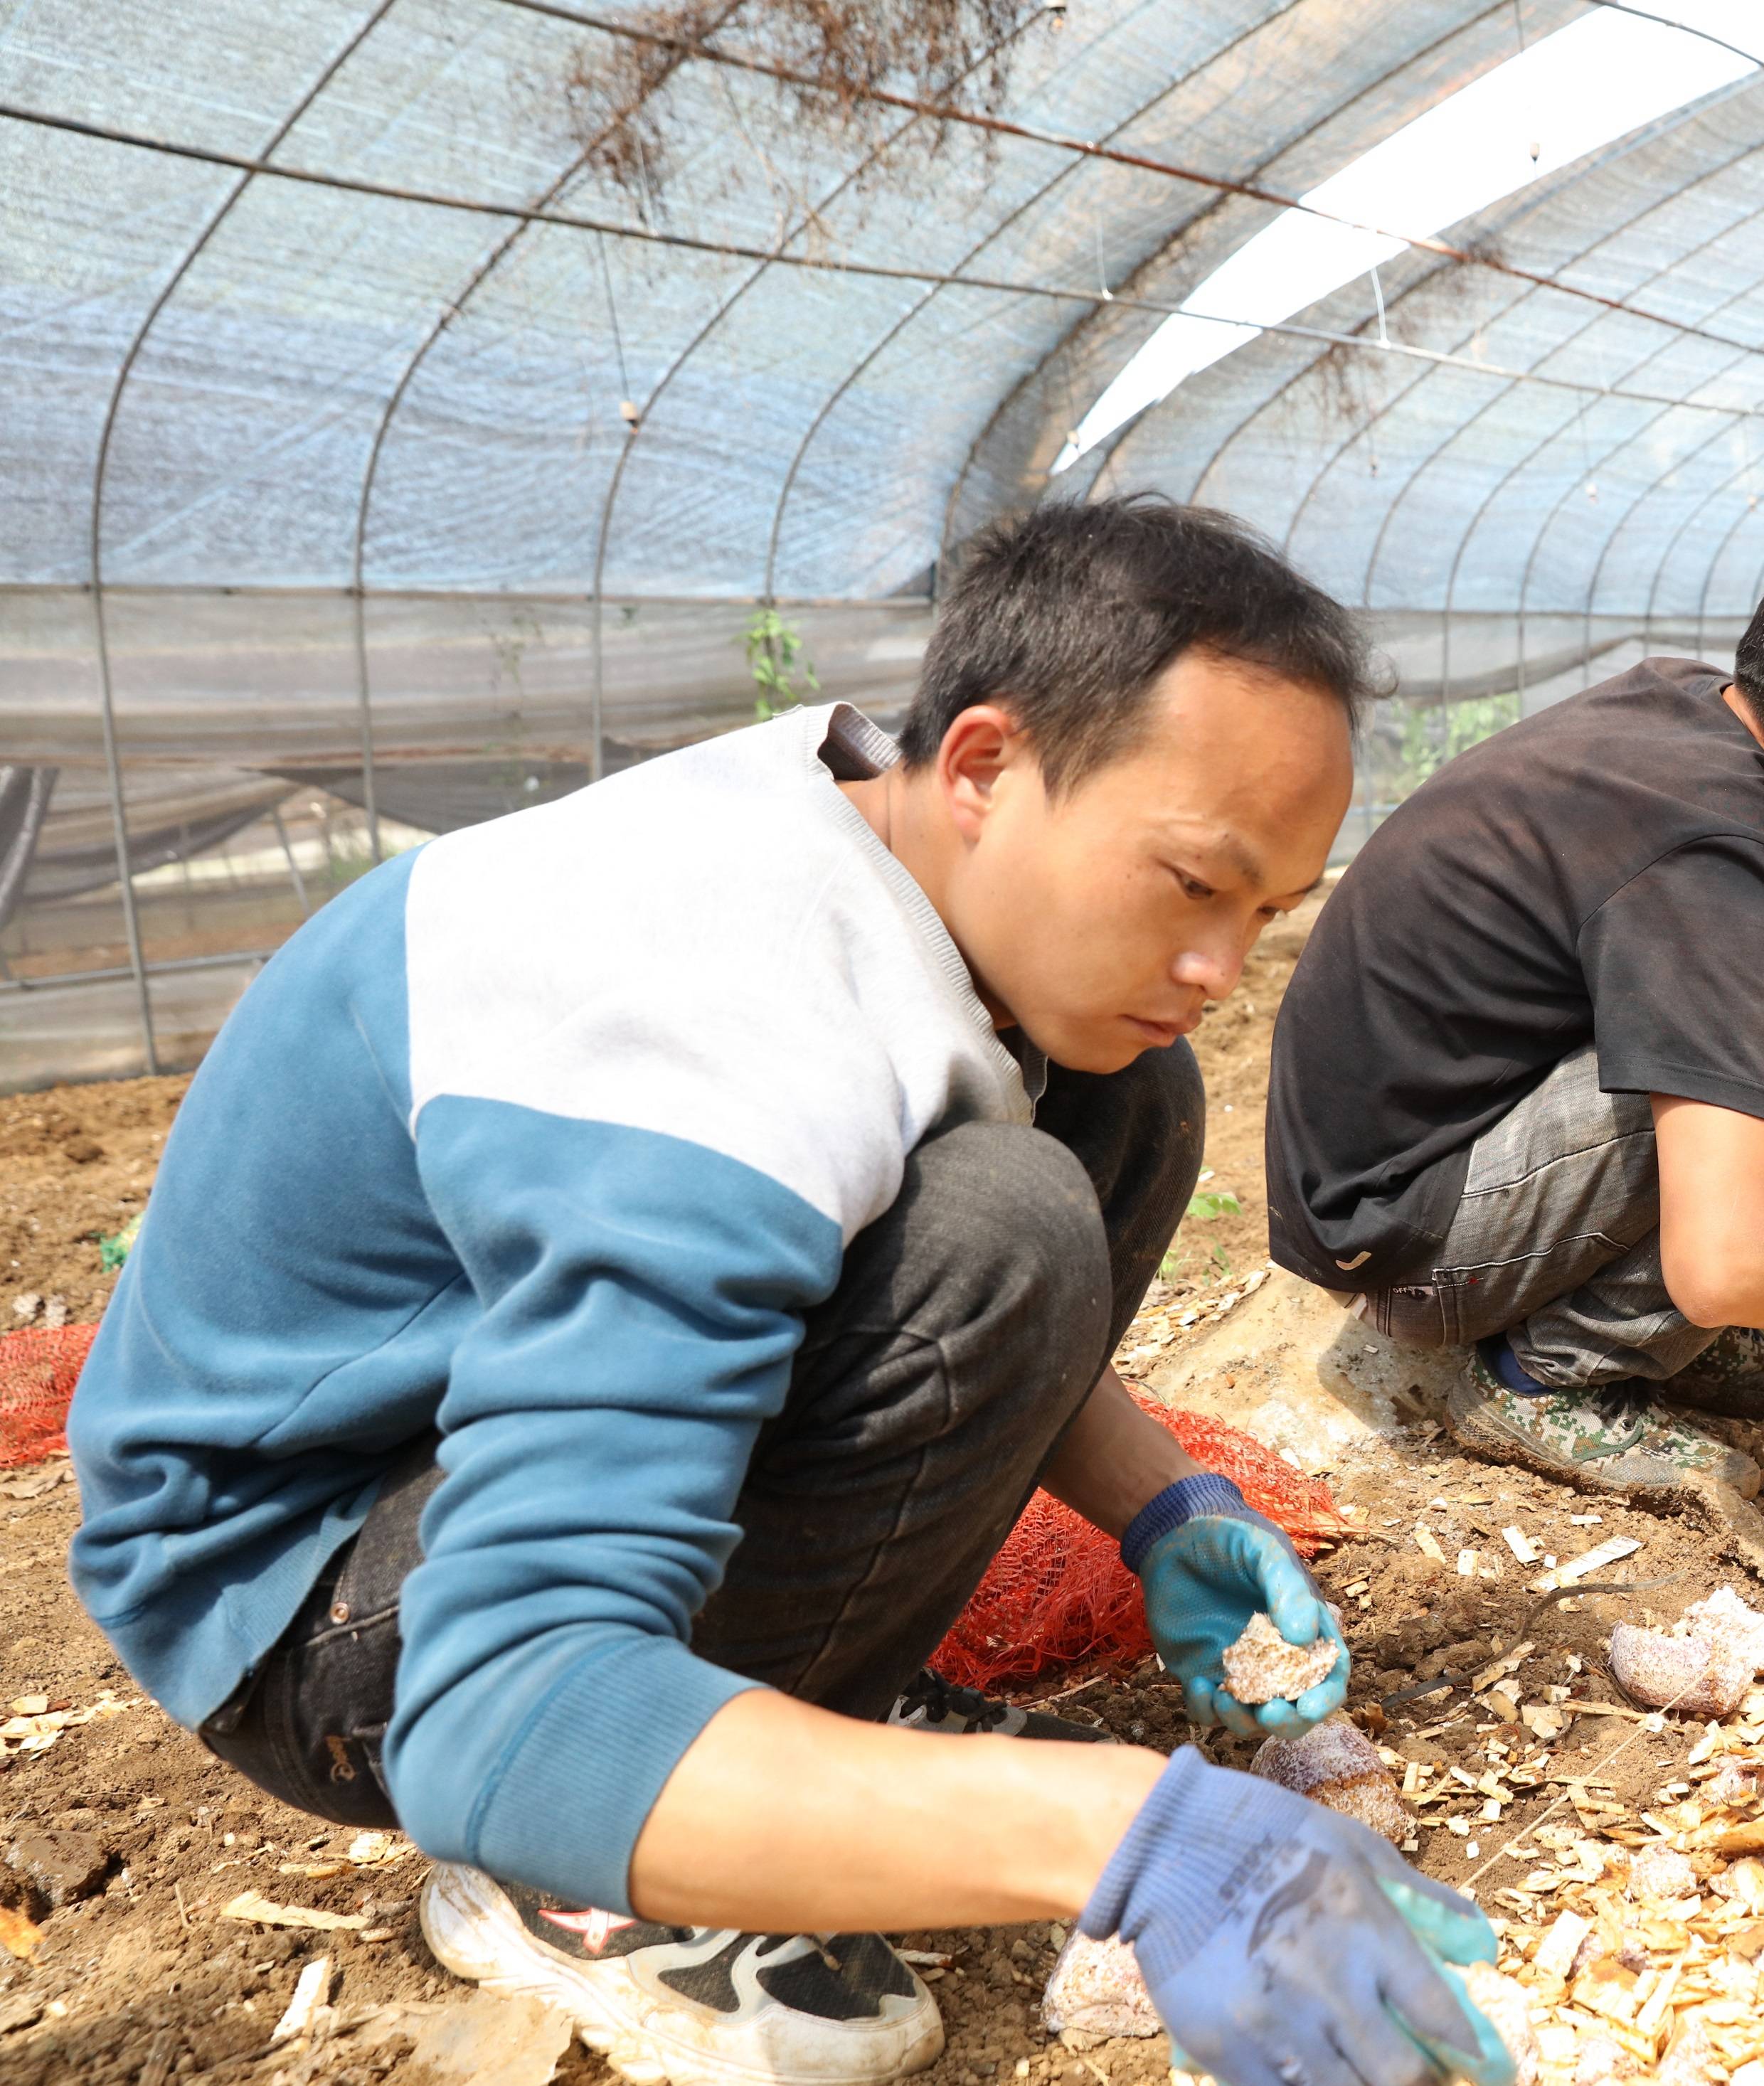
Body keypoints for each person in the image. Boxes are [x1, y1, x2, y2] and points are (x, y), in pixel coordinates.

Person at [67, 500, 1514, 2086]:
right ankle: (585, 1885)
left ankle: (807, 1707)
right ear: (977, 764)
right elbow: (503, 1713)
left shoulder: (854, 830)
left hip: (458, 1436)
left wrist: (1166, 1503)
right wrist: (1117, 1829)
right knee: (1012, 1207)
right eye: (1191, 883)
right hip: (311, 1605)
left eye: (1263, 914)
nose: (1222, 967)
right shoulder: (712, 1045)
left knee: (1120, 1099)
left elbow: (900, 1272)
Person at [1265, 545, 1764, 1514]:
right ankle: (1557, 1371)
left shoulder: (1700, 711)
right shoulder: (1717, 867)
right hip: (1404, 1245)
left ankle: (1673, 1331)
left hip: (1419, 1143)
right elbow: (1729, 1257)